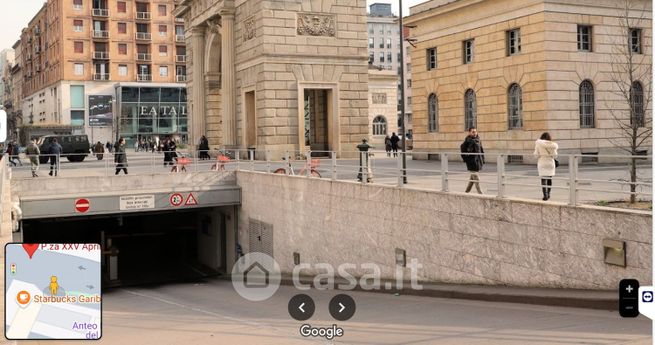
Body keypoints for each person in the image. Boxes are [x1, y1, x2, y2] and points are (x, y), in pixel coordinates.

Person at [534, 132, 558, 201]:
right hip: (550, 163)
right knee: (549, 179)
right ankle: (549, 194)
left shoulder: (538, 144)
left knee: (543, 179)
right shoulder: (552, 145)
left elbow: (536, 155)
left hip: (542, 162)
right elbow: (555, 156)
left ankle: (545, 195)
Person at [460, 127, 485, 194]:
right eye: (473, 132)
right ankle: (480, 193)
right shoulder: (467, 141)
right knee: (476, 178)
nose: (474, 133)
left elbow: (481, 150)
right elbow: (462, 151)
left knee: (472, 178)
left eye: (475, 132)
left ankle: (466, 192)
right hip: (471, 162)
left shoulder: (478, 140)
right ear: (469, 132)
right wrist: (467, 160)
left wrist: (483, 159)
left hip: (478, 161)